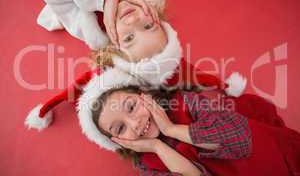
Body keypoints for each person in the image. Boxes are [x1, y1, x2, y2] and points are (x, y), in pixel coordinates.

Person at [76, 68, 300, 176]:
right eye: (121, 128)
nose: (134, 124)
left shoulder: (185, 103)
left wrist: (172, 129)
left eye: (132, 107)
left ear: (144, 94)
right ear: (118, 141)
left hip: (270, 158)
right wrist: (157, 146)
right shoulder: (147, 163)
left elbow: (237, 138)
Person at [33, 0, 171, 50]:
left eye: (129, 38)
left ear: (113, 46)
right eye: (148, 26)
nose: (133, 20)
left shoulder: (87, 24)